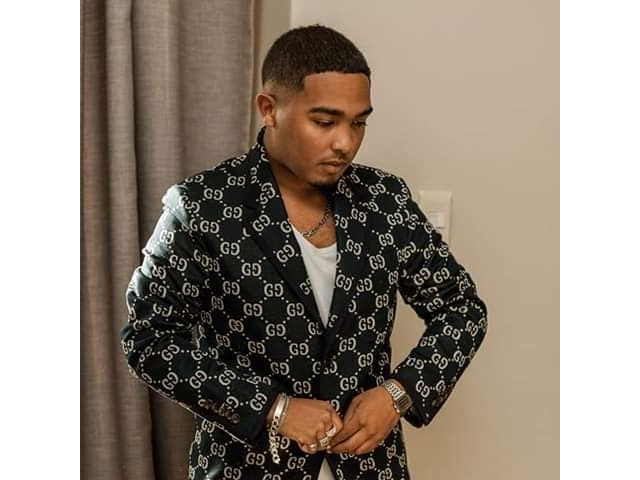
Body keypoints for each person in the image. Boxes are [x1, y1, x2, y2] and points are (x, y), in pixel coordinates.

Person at [121, 24, 488, 480]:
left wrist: (399, 393)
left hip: (371, 469)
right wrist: (273, 408)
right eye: (325, 122)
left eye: (359, 122)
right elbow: (149, 340)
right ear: (269, 109)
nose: (345, 143)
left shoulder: (385, 201)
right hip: (246, 470)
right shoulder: (203, 208)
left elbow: (462, 308)